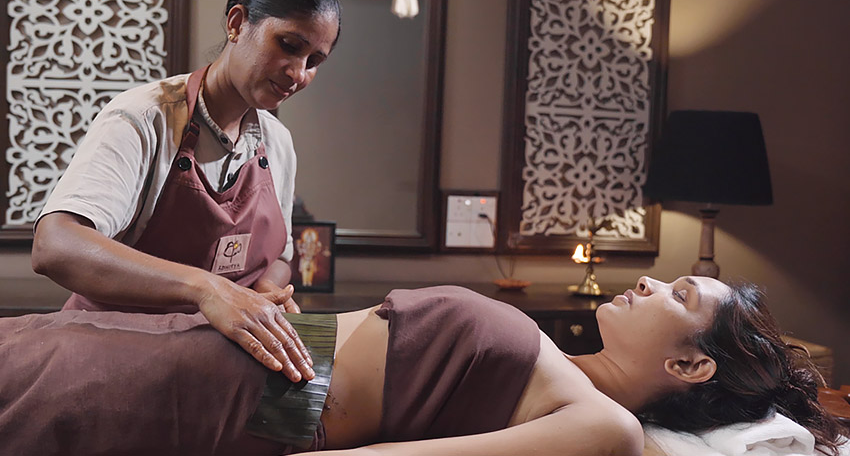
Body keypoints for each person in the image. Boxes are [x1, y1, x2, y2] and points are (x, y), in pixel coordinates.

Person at [0, 276, 845, 456]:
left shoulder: (606, 426)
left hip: (246, 395)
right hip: (225, 343)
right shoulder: (561, 362)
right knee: (31, 343)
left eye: (680, 293)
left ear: (690, 365)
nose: (652, 281)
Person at [29, 0, 341, 382]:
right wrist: (205, 288)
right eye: (288, 45)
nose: (299, 73)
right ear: (237, 23)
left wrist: (266, 290)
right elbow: (55, 245)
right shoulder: (144, 117)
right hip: (109, 365)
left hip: (210, 371)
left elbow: (281, 257)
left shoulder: (278, 143)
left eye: (315, 60)